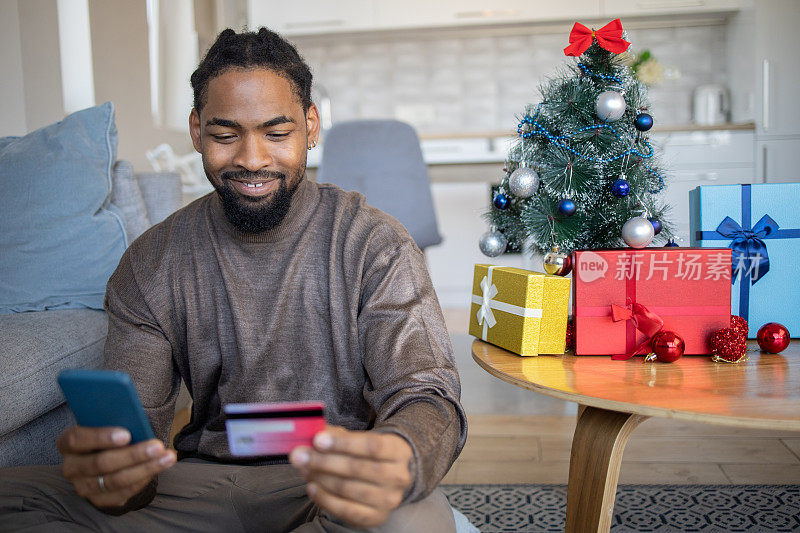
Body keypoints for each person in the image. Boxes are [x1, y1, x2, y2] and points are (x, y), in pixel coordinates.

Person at [0, 27, 466, 532]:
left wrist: (400, 454)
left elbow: (427, 395)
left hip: (331, 485)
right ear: (197, 130)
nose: (251, 159)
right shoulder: (150, 264)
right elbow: (134, 464)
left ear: (310, 126)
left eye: (276, 133)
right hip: (202, 486)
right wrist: (113, 476)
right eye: (225, 135)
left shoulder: (374, 244)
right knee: (13, 496)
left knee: (416, 520)